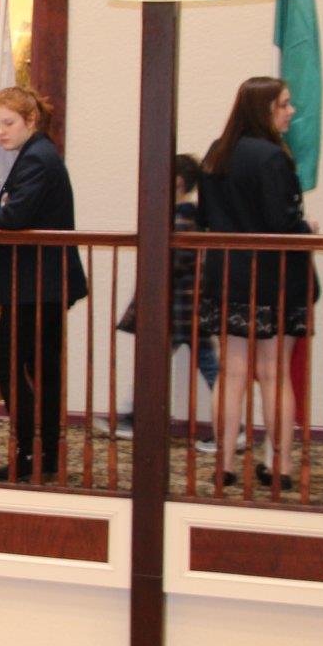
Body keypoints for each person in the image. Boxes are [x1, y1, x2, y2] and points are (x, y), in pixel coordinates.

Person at [197, 76, 317, 490]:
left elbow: (206, 216)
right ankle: (279, 465)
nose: (291, 111)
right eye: (284, 104)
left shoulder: (217, 152)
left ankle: (225, 464)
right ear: (265, 109)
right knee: (274, 372)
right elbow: (281, 223)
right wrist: (308, 229)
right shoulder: (272, 157)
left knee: (231, 372)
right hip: (272, 276)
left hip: (226, 273)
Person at [0, 87, 85, 483]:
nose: (0, 132)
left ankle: (31, 450)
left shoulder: (37, 157)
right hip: (40, 283)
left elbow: (16, 215)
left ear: (31, 120)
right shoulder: (37, 153)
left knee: (7, 363)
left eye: (8, 123)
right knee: (41, 369)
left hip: (38, 284)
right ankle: (43, 452)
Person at [108, 154, 221, 448]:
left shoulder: (180, 220)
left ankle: (229, 424)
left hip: (179, 309)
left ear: (178, 182)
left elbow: (171, 265)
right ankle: (133, 415)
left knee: (197, 365)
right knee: (160, 362)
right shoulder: (188, 218)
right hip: (183, 308)